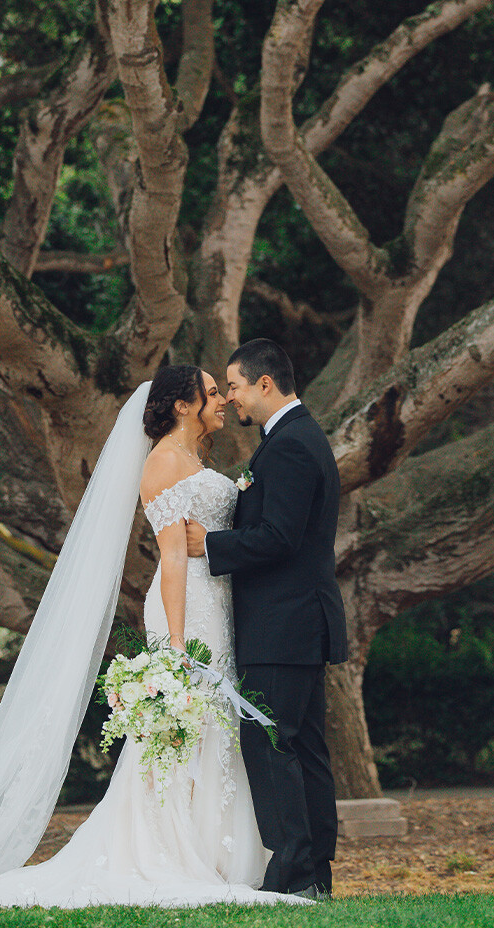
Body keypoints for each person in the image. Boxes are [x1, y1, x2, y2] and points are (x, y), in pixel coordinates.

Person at [0, 367, 300, 908]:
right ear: (182, 406)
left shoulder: (199, 460)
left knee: (217, 727)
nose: (223, 400)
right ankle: (171, 850)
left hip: (218, 602)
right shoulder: (161, 464)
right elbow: (173, 556)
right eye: (210, 393)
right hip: (187, 609)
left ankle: (222, 851)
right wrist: (177, 644)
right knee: (187, 723)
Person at [186, 338, 348, 900]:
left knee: (273, 743)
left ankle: (296, 872)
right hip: (295, 624)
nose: (230, 398)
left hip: (285, 625)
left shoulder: (293, 446)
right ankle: (313, 876)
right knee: (301, 748)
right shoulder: (289, 440)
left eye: (233, 386)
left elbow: (279, 538)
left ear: (263, 383)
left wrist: (211, 544)